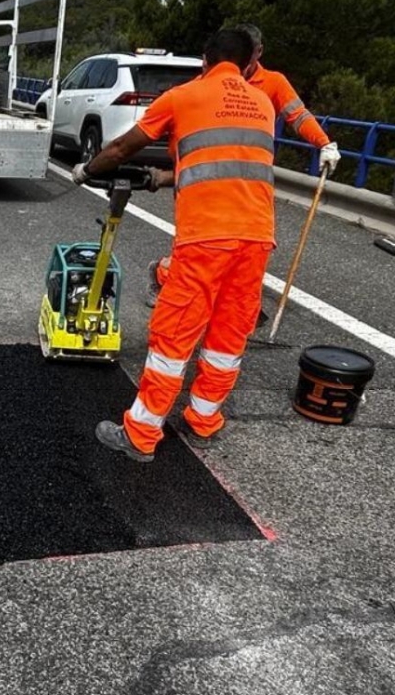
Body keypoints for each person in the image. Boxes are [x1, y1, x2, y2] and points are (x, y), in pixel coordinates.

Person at [70, 27, 276, 462]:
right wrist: (161, 179)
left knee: (174, 333)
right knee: (228, 334)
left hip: (207, 240)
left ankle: (141, 434)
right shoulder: (261, 104)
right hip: (257, 237)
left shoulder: (185, 96)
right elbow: (222, 165)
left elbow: (125, 145)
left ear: (205, 59)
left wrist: (87, 171)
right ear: (248, 63)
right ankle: (203, 420)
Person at [143, 23, 341, 312]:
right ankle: (165, 275)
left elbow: (297, 115)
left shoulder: (273, 82)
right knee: (200, 247)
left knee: (240, 244)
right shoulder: (213, 77)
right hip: (204, 179)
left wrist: (324, 143)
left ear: (257, 53)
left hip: (245, 177)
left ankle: (228, 299)